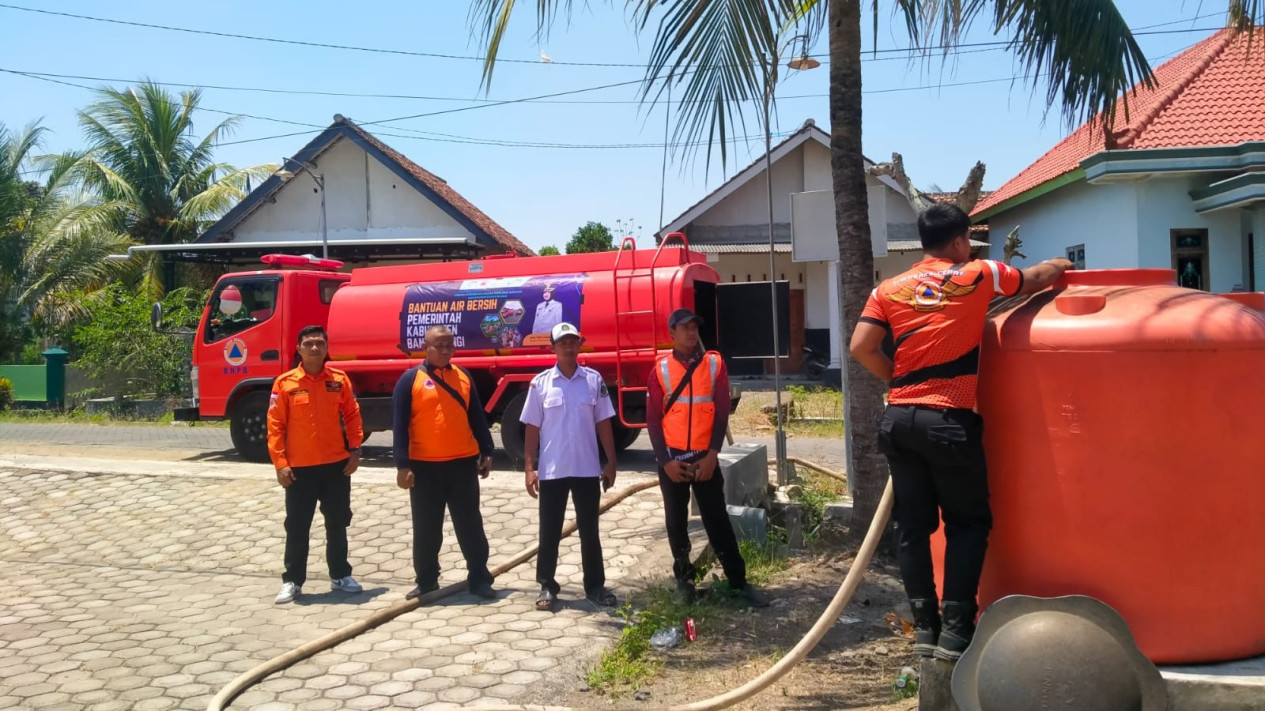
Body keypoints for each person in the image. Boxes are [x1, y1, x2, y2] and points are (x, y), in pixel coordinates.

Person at [849, 203, 1073, 661]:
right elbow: (1033, 279)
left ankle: (924, 629)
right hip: (948, 419)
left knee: (913, 527)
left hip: (900, 419)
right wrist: (1061, 263)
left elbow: (860, 347)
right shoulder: (978, 274)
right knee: (967, 523)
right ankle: (956, 632)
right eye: (967, 239)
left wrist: (898, 380)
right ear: (958, 240)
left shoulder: (887, 288)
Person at [647, 308, 769, 608]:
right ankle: (684, 583)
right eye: (684, 328)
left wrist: (713, 455)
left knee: (717, 520)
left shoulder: (714, 365)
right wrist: (665, 462)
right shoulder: (660, 370)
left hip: (705, 460)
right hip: (674, 462)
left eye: (694, 327)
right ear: (671, 333)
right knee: (676, 523)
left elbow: (722, 411)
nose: (691, 332)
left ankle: (738, 582)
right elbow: (653, 421)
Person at [393, 324, 498, 601]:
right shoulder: (410, 380)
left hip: (462, 464)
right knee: (426, 527)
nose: (444, 350)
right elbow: (399, 425)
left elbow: (476, 415)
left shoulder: (463, 376)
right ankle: (427, 580)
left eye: (449, 345)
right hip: (424, 467)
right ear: (425, 347)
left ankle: (479, 578)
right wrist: (402, 466)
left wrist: (487, 450)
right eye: (438, 346)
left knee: (470, 524)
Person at [520, 322, 619, 611]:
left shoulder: (593, 380)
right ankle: (547, 585)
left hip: (587, 469)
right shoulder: (540, 384)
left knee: (590, 531)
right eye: (562, 342)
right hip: (553, 470)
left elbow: (604, 423)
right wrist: (529, 468)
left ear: (580, 344)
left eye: (573, 341)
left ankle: (595, 586)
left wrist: (611, 462)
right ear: (553, 348)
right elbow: (532, 428)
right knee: (549, 531)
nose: (568, 347)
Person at [267, 325, 364, 604]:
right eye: (308, 343)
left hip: (336, 467)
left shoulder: (339, 380)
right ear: (298, 349)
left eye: (319, 343)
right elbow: (275, 425)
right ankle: (293, 581)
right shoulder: (285, 383)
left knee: (338, 522)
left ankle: (340, 575)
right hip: (299, 470)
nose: (314, 348)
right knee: (298, 526)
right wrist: (280, 464)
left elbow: (353, 415)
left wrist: (355, 450)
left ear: (326, 348)